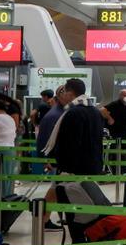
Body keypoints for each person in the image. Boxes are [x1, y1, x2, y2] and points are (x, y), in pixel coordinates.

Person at [42, 78, 104, 229]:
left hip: (72, 170)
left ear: (70, 92)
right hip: (91, 165)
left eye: (64, 92)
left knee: (72, 208)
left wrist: (58, 163)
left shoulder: (73, 113)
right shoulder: (95, 111)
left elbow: (69, 144)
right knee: (84, 203)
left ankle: (76, 239)